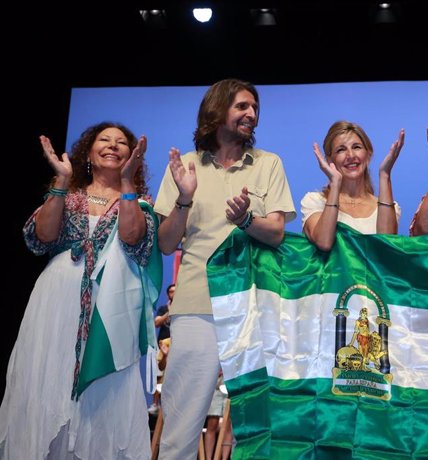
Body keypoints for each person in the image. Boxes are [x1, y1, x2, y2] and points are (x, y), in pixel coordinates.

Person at [154, 78, 296, 458]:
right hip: (198, 304)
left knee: (260, 421)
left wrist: (248, 220)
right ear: (217, 111)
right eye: (242, 107)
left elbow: (278, 232)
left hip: (255, 306)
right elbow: (167, 244)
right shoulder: (185, 165)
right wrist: (184, 199)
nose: (251, 114)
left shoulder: (268, 164)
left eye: (254, 109)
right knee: (183, 422)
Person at [0, 122, 160, 459]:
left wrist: (128, 182)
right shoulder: (69, 196)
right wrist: (60, 180)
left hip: (110, 308)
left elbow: (134, 240)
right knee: (48, 378)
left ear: (132, 156)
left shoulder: (139, 202)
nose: (113, 146)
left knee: (106, 392)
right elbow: (41, 237)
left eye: (121, 143)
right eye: (104, 140)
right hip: (57, 301)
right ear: (88, 152)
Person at [301, 121, 404, 248]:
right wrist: (335, 184)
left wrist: (385, 175)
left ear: (368, 154)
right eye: (341, 150)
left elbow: (386, 249)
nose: (350, 155)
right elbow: (324, 242)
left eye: (356, 147)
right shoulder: (315, 201)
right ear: (329, 160)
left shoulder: (388, 208)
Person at [149, 283, 175, 415]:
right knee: (158, 374)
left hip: (177, 345)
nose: (174, 294)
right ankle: (155, 403)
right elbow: (156, 322)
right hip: (163, 345)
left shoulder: (182, 309)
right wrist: (169, 313)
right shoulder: (163, 309)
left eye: (176, 292)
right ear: (168, 294)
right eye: (171, 292)